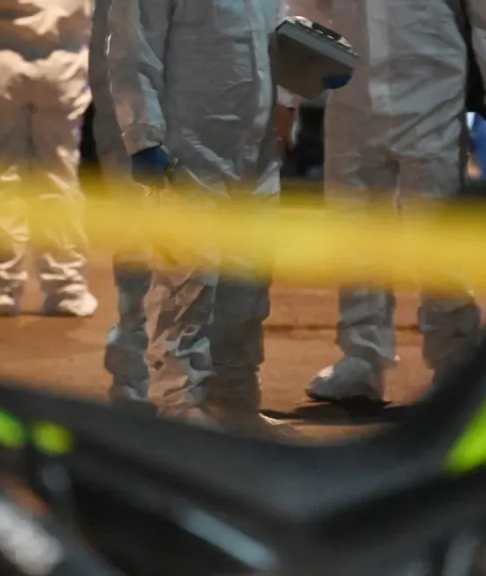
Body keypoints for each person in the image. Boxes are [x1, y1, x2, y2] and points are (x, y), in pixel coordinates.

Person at [286, 0, 486, 405]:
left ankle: (453, 362)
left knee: (435, 240)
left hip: (430, 101)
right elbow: (306, 11)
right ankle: (361, 360)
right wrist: (289, 97)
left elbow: (485, 17)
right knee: (355, 234)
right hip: (354, 102)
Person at [106, 0, 296, 435]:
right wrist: (143, 135)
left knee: (248, 279)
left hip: (255, 149)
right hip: (188, 147)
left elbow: (277, 32)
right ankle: (179, 399)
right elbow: (133, 50)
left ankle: (235, 400)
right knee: (187, 279)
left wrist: (301, 78)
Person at [0, 0, 98, 317]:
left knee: (0, 177)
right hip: (65, 63)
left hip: (1, 62)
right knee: (59, 177)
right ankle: (66, 288)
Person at [90, 0, 153, 412]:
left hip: (214, 103)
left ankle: (212, 388)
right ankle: (134, 379)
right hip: (131, 103)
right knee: (140, 246)